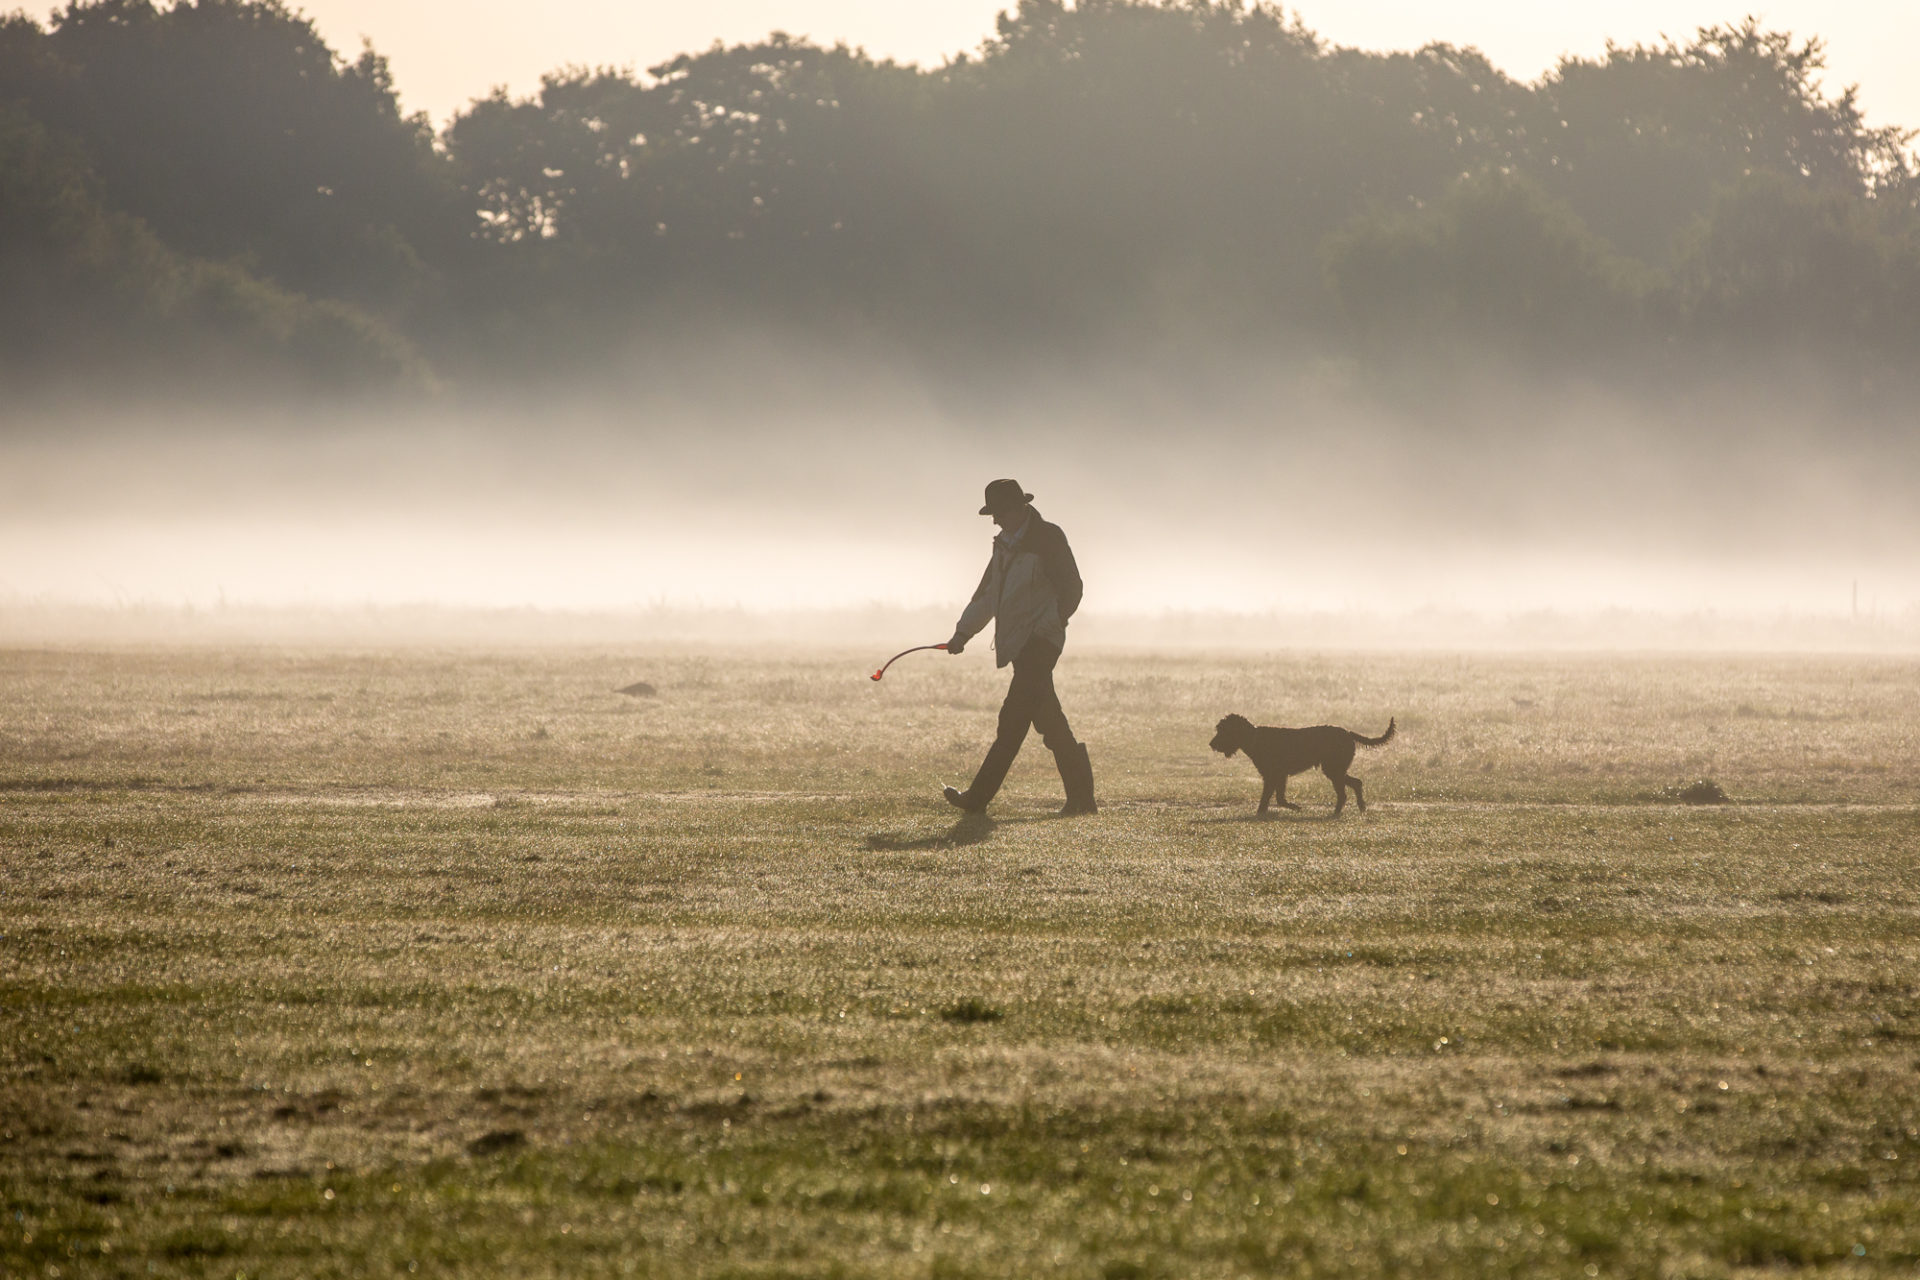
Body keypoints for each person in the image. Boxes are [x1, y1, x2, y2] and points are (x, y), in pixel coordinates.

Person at [942, 478, 1096, 816]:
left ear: (1017, 509)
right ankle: (1083, 800)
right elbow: (986, 597)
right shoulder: (1003, 545)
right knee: (1050, 723)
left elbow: (1073, 587)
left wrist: (1053, 623)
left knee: (1011, 723)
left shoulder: (1048, 538)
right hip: (1020, 647)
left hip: (1041, 644)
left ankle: (977, 799)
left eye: (997, 513)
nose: (994, 520)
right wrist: (962, 635)